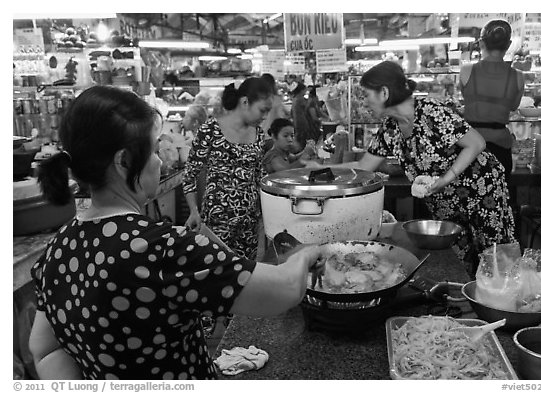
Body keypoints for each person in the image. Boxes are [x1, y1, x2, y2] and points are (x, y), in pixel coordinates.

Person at [28, 85, 325, 380]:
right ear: (124, 162)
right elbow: (285, 290)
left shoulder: (57, 249)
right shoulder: (166, 249)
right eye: (154, 149)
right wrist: (309, 253)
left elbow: (44, 350)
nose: (160, 160)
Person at [310, 61, 516, 278]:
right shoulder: (389, 128)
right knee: (461, 259)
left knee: (494, 258)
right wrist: (322, 169)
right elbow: (363, 168)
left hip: (483, 192)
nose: (365, 101)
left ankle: (502, 306)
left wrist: (446, 179)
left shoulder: (430, 112)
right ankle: (470, 300)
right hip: (447, 203)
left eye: (366, 94)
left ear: (384, 92)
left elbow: (476, 143)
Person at [182, 78, 272, 260]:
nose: (264, 117)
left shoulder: (259, 134)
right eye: (262, 110)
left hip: (249, 224)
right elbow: (189, 176)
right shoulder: (209, 131)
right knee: (217, 272)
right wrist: (193, 211)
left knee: (246, 275)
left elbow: (258, 175)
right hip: (217, 221)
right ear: (245, 102)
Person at [459, 19, 525, 186]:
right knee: (498, 202)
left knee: (468, 199)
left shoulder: (466, 70)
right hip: (501, 148)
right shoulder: (518, 76)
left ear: (481, 43)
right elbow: (513, 106)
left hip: (469, 147)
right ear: (509, 44)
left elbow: (467, 98)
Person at [290, 82, 321, 152]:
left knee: (301, 143)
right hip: (301, 125)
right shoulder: (300, 99)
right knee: (302, 145)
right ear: (301, 91)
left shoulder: (295, 99)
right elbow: (311, 109)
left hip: (298, 124)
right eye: (304, 89)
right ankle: (301, 159)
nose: (306, 91)